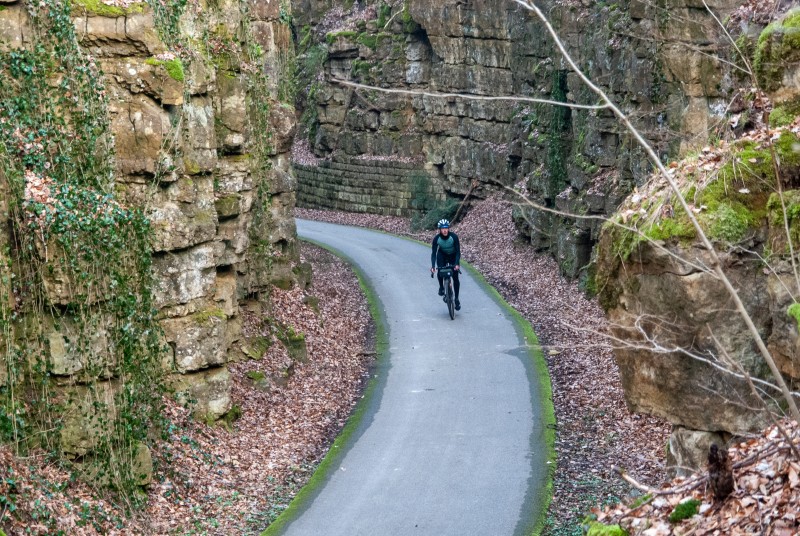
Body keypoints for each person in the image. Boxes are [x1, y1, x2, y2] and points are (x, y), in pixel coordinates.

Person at [430, 218, 461, 310]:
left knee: (455, 277)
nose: (445, 230)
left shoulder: (454, 237)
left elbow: (458, 252)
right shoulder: (436, 239)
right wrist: (432, 266)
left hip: (453, 255)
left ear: (448, 228)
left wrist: (456, 264)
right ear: (439, 229)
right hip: (442, 255)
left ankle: (456, 299)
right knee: (440, 270)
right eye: (443, 228)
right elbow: (433, 253)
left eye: (446, 228)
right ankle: (441, 287)